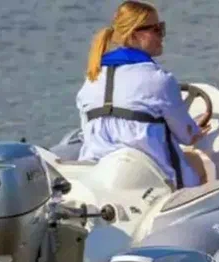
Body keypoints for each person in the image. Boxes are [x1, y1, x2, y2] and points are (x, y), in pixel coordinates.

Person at [76, 1, 209, 189]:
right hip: (151, 181)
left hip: (97, 176)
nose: (162, 35)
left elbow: (87, 132)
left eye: (161, 28)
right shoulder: (159, 79)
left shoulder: (91, 80)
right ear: (133, 34)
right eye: (156, 30)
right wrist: (195, 130)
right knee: (197, 161)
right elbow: (187, 136)